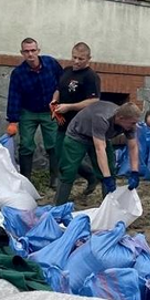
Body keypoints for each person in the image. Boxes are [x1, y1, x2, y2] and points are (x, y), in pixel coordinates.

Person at [54, 101, 141, 206]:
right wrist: (107, 177)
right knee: (68, 170)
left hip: (102, 136)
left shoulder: (129, 124)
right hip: (78, 135)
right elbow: (100, 149)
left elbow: (133, 146)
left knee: (109, 167)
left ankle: (110, 206)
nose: (134, 126)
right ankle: (58, 207)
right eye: (132, 123)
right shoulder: (103, 118)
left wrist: (135, 172)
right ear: (121, 118)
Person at [6, 38, 63, 181]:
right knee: (25, 145)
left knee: (54, 145)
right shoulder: (18, 73)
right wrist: (13, 120)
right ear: (22, 53)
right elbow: (14, 96)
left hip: (49, 111)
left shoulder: (51, 64)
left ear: (38, 51)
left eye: (33, 50)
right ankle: (26, 180)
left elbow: (62, 81)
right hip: (28, 112)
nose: (30, 54)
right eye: (26, 51)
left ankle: (55, 178)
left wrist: (62, 103)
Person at [50, 42, 101, 190]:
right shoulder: (66, 71)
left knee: (70, 159)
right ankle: (89, 175)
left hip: (79, 125)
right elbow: (59, 89)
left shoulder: (91, 77)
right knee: (59, 155)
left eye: (81, 59)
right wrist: (55, 101)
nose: (77, 62)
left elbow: (93, 101)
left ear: (89, 59)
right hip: (62, 122)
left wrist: (70, 107)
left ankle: (66, 189)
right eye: (74, 57)